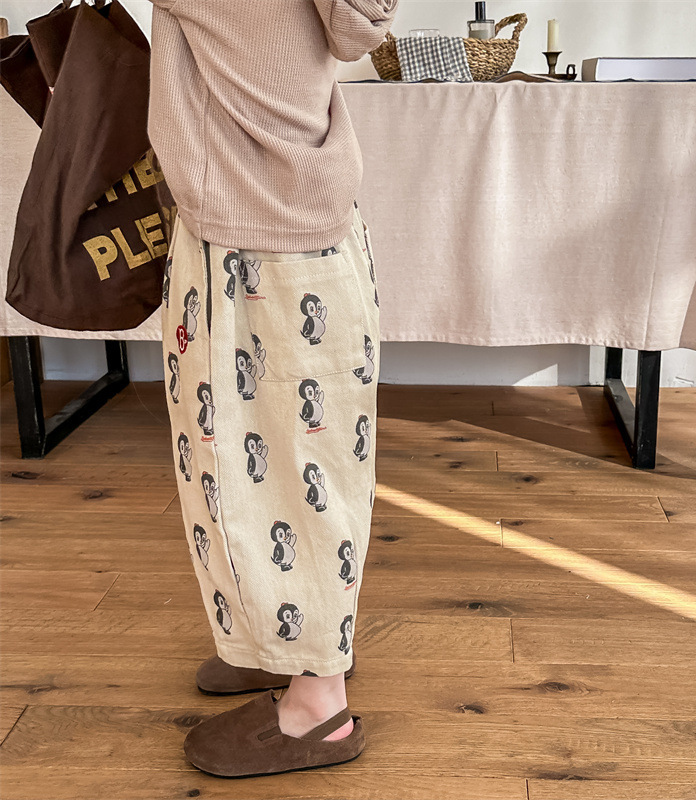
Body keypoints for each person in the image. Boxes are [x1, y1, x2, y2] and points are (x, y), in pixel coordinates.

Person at [147, 0, 398, 778]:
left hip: (255, 226)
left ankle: (318, 702)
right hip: (265, 212)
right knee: (261, 465)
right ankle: (282, 637)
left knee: (288, 474)